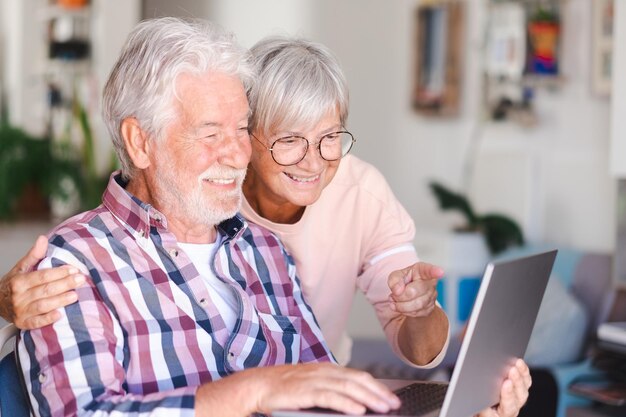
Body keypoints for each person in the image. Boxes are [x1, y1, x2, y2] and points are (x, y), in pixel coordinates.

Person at [8, 19, 530, 417]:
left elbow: (323, 395)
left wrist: (456, 407)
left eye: (241, 129)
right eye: (212, 133)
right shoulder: (72, 264)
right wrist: (254, 390)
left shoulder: (264, 252)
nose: (237, 154)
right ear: (140, 142)